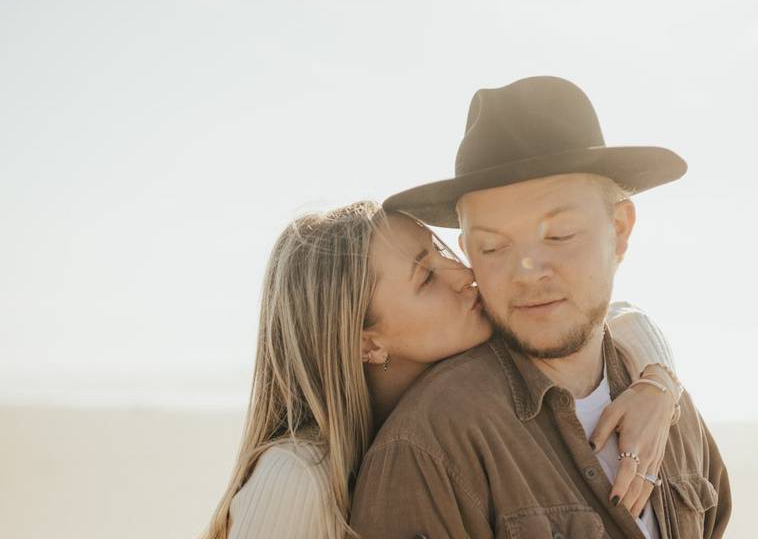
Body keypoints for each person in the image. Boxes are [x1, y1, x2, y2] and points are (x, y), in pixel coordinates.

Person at [351, 76, 731, 538]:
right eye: (493, 247)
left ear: (620, 228)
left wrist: (662, 384)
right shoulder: (431, 448)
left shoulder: (675, 414)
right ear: (468, 251)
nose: (528, 271)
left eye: (559, 235)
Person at [202, 201, 685, 539]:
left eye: (442, 250)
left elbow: (614, 315)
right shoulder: (297, 479)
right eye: (426, 276)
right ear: (367, 342)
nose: (464, 274)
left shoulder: (464, 377)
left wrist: (658, 384)